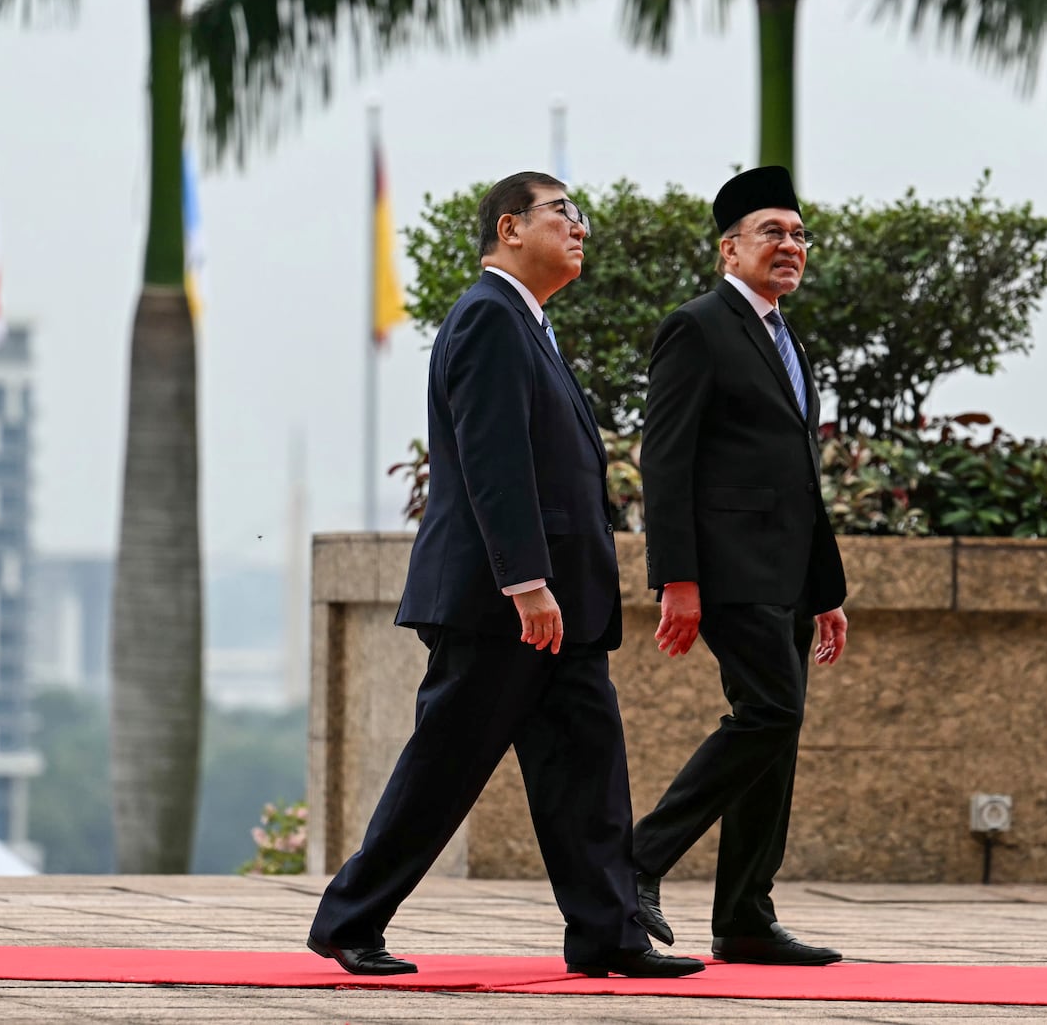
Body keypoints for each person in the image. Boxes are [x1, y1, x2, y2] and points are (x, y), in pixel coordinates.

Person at [307, 171, 703, 981]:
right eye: (564, 212)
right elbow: (494, 461)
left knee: (588, 771)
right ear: (510, 228)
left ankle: (609, 934)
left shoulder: (530, 324)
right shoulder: (489, 315)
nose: (581, 227)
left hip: (562, 606)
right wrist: (526, 580)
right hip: (503, 604)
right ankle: (350, 920)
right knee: (444, 767)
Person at [631, 165, 849, 966]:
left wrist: (826, 590)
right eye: (772, 233)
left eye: (797, 234)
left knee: (778, 735)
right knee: (770, 713)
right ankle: (638, 858)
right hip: (727, 570)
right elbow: (666, 459)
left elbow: (799, 473)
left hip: (788, 576)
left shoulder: (787, 338)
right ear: (730, 248)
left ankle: (746, 917)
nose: (789, 246)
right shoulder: (697, 327)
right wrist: (677, 579)